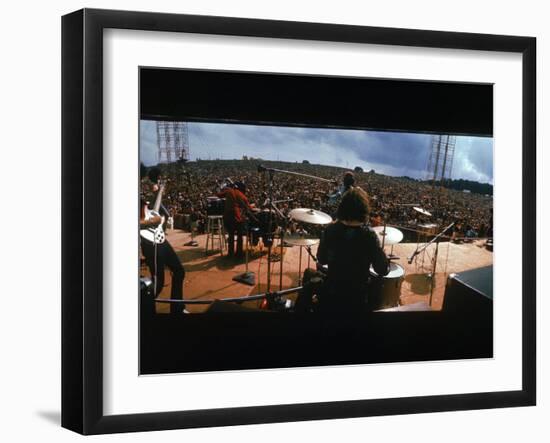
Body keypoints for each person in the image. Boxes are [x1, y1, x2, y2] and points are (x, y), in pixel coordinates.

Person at [296, 187, 389, 314]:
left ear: (342, 208)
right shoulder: (370, 235)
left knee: (310, 274)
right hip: (357, 299)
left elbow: (321, 259)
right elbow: (382, 270)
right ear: (364, 210)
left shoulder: (330, 230)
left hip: (332, 293)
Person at [140, 179, 187, 315]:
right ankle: (141, 307)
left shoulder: (146, 200)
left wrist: (160, 191)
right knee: (158, 283)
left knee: (179, 271)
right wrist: (152, 221)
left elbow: (155, 211)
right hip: (151, 244)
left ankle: (177, 308)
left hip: (161, 240)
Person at [217, 181, 256, 258]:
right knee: (240, 235)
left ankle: (230, 254)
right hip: (237, 218)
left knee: (231, 235)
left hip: (227, 218)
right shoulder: (243, 196)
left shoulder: (229, 191)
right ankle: (239, 253)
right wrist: (253, 205)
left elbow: (219, 195)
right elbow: (248, 208)